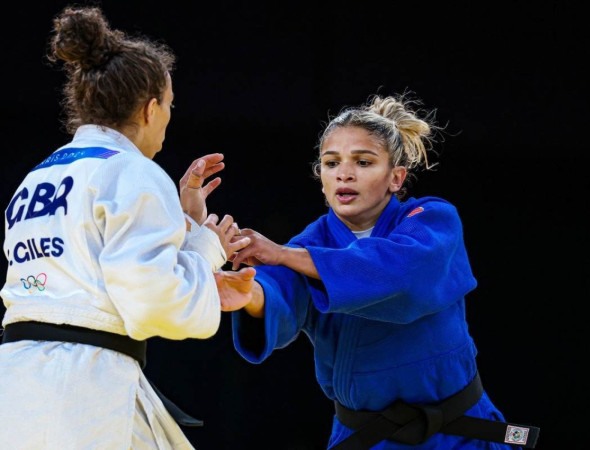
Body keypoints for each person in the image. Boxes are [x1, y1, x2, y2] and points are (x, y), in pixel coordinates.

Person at [0, 5, 255, 450]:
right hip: (83, 388)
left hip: (21, 381)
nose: (169, 119)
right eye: (170, 105)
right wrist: (205, 245)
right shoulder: (132, 171)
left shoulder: (38, 176)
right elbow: (153, 302)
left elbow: (92, 271)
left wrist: (186, 226)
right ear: (151, 107)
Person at [228, 93, 540, 449]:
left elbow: (398, 274)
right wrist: (248, 294)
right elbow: (279, 292)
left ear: (395, 177)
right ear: (321, 177)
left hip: (461, 430)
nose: (344, 173)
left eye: (363, 162)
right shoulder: (308, 245)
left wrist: (284, 254)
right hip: (367, 438)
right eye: (331, 163)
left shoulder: (434, 220)